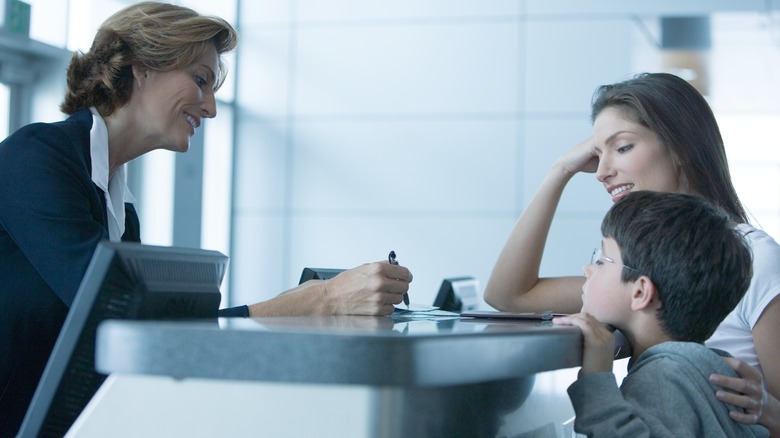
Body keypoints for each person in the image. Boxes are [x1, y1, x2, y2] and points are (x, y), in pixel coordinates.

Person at [0, 3, 411, 436]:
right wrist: (311, 303)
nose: (211, 108)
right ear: (141, 69)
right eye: (200, 80)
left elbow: (149, 337)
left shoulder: (119, 205)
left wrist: (304, 304)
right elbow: (129, 327)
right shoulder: (36, 159)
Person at [483, 72, 779, 432]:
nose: (601, 172)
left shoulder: (754, 258)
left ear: (682, 147)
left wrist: (767, 409)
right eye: (597, 154)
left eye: (622, 147)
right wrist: (559, 171)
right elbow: (508, 295)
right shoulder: (643, 260)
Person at [553, 190, 768, 437]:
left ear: (641, 292)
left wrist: (597, 378)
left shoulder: (664, 375)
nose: (587, 268)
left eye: (602, 260)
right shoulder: (706, 366)